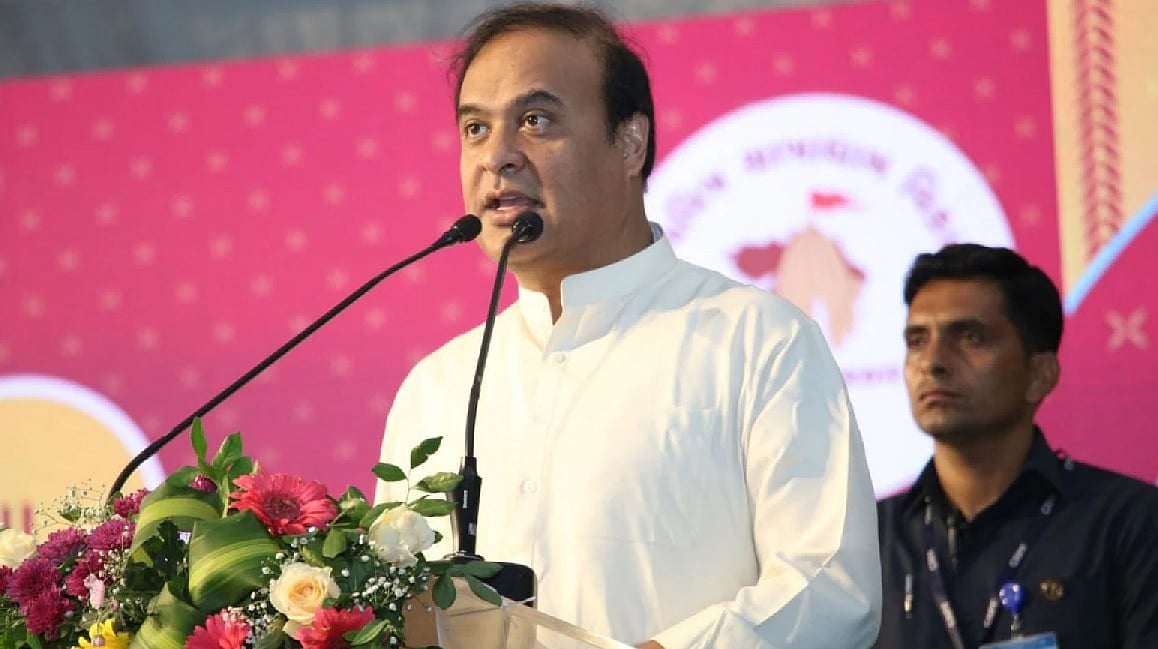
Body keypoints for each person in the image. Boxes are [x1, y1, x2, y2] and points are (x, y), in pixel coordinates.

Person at [376, 3, 881, 647]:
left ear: (630, 142)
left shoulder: (758, 340)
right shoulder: (436, 388)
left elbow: (831, 586)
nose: (497, 156)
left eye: (536, 120)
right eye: (475, 128)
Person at [874, 243, 1158, 648]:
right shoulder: (866, 541)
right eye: (917, 340)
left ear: (1040, 374)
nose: (932, 362)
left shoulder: (1130, 523)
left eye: (970, 337)